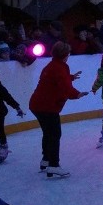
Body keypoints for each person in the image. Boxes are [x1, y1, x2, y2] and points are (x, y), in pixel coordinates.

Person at [28, 41, 88, 178]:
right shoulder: (60, 68)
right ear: (65, 54)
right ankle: (54, 165)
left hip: (37, 105)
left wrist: (71, 77)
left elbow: (57, 80)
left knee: (48, 133)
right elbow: (64, 86)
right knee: (54, 135)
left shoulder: (52, 65)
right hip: (47, 107)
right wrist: (77, 94)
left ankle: (46, 160)